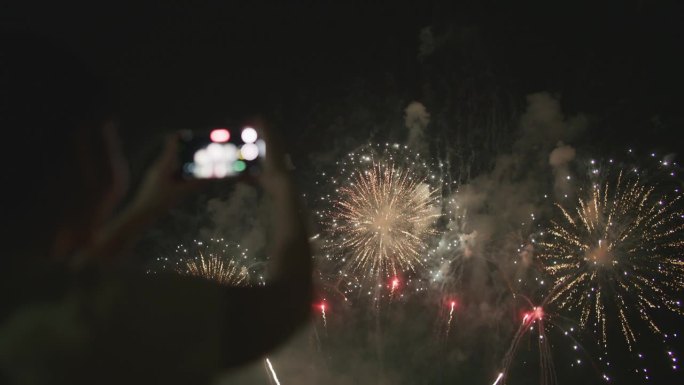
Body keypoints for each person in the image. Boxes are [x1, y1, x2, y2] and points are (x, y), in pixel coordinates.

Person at [0, 29, 312, 384]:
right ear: (86, 156)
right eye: (110, 137)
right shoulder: (92, 320)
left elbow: (64, 283)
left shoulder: (28, 301)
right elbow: (285, 307)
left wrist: (145, 208)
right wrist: (280, 184)